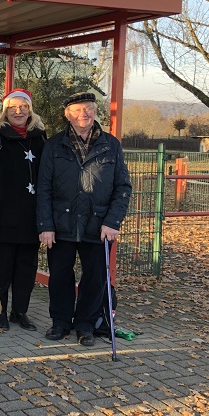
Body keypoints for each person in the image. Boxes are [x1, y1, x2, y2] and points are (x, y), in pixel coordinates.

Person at [36, 92, 132, 347]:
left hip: (98, 225)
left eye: (89, 109)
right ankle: (60, 322)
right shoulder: (54, 145)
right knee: (59, 275)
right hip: (61, 224)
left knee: (95, 277)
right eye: (78, 110)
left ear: (95, 112)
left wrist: (113, 222)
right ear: (68, 114)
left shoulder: (111, 145)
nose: (84, 114)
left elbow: (123, 186)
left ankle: (86, 324)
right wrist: (45, 226)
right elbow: (43, 188)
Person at [0, 89, 46, 332]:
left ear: (30, 109)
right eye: (14, 107)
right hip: (1, 217)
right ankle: (0, 312)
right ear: (5, 110)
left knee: (26, 268)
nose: (19, 111)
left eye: (23, 106)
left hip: (31, 217)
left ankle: (20, 312)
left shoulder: (40, 138)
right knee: (1, 268)